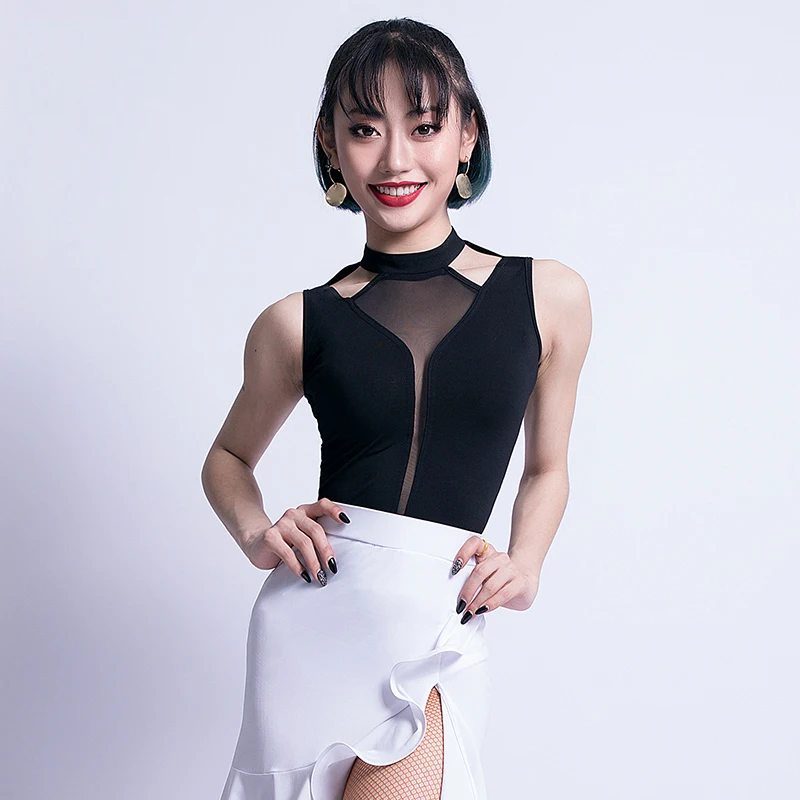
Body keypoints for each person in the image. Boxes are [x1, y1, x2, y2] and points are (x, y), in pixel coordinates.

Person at [202, 17, 592, 800]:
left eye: (424, 126)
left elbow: (547, 467)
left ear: (467, 134)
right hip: (310, 626)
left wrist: (526, 563)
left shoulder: (548, 296)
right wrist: (255, 532)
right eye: (364, 129)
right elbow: (228, 459)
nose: (395, 159)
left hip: (438, 624)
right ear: (330, 142)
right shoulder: (293, 323)